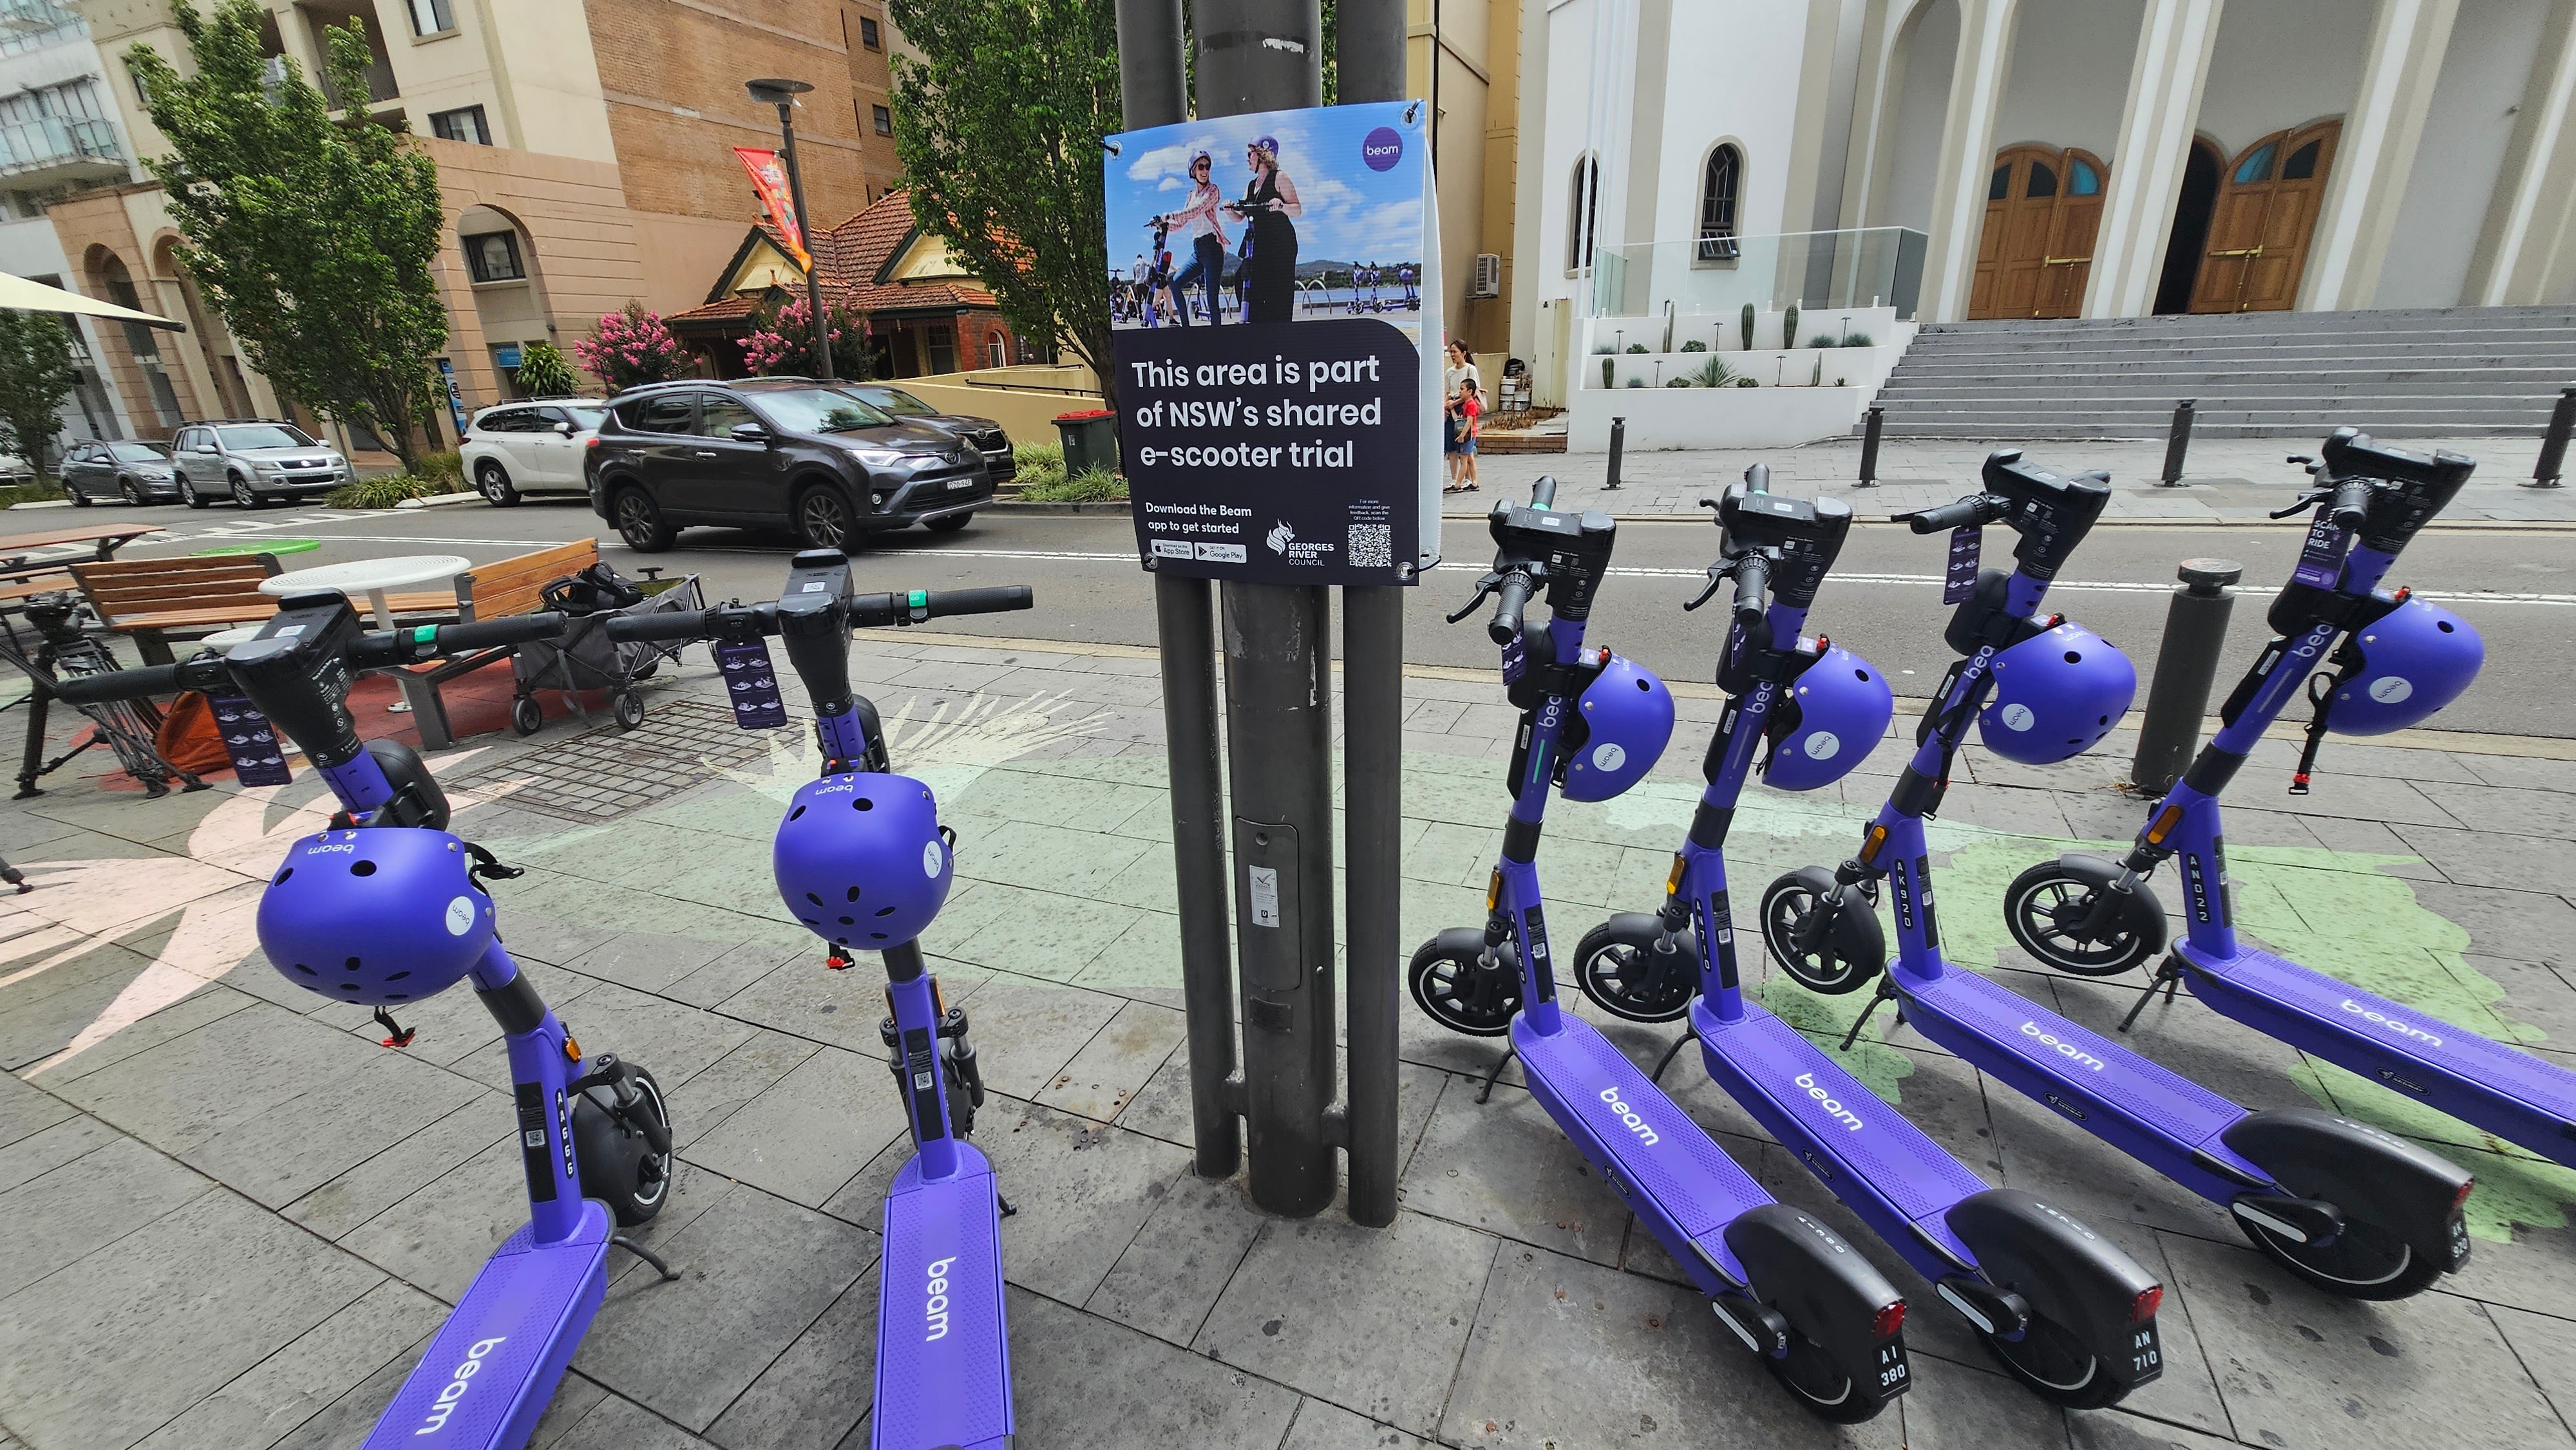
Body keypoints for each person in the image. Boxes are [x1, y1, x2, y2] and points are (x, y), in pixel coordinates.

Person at [1230, 135, 1302, 324]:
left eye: (1250, 154)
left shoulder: (1280, 177)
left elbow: (1297, 209)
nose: (1248, 158)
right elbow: (1241, 216)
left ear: (1262, 155)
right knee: (1242, 279)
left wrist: (1281, 206)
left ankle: (1279, 333)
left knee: (1278, 292)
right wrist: (1230, 210)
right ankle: (1256, 325)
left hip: (1280, 245)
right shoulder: (1252, 185)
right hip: (1259, 244)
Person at [1158, 151, 1229, 326]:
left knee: (1212, 298)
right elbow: (1182, 222)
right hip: (1198, 250)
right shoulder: (1191, 195)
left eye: (1207, 167)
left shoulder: (1213, 191)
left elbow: (1196, 210)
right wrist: (1163, 226)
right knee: (1174, 283)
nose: (1205, 170)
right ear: (1193, 171)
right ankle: (1186, 330)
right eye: (1200, 167)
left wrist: (1171, 214)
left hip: (1212, 249)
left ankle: (1219, 342)